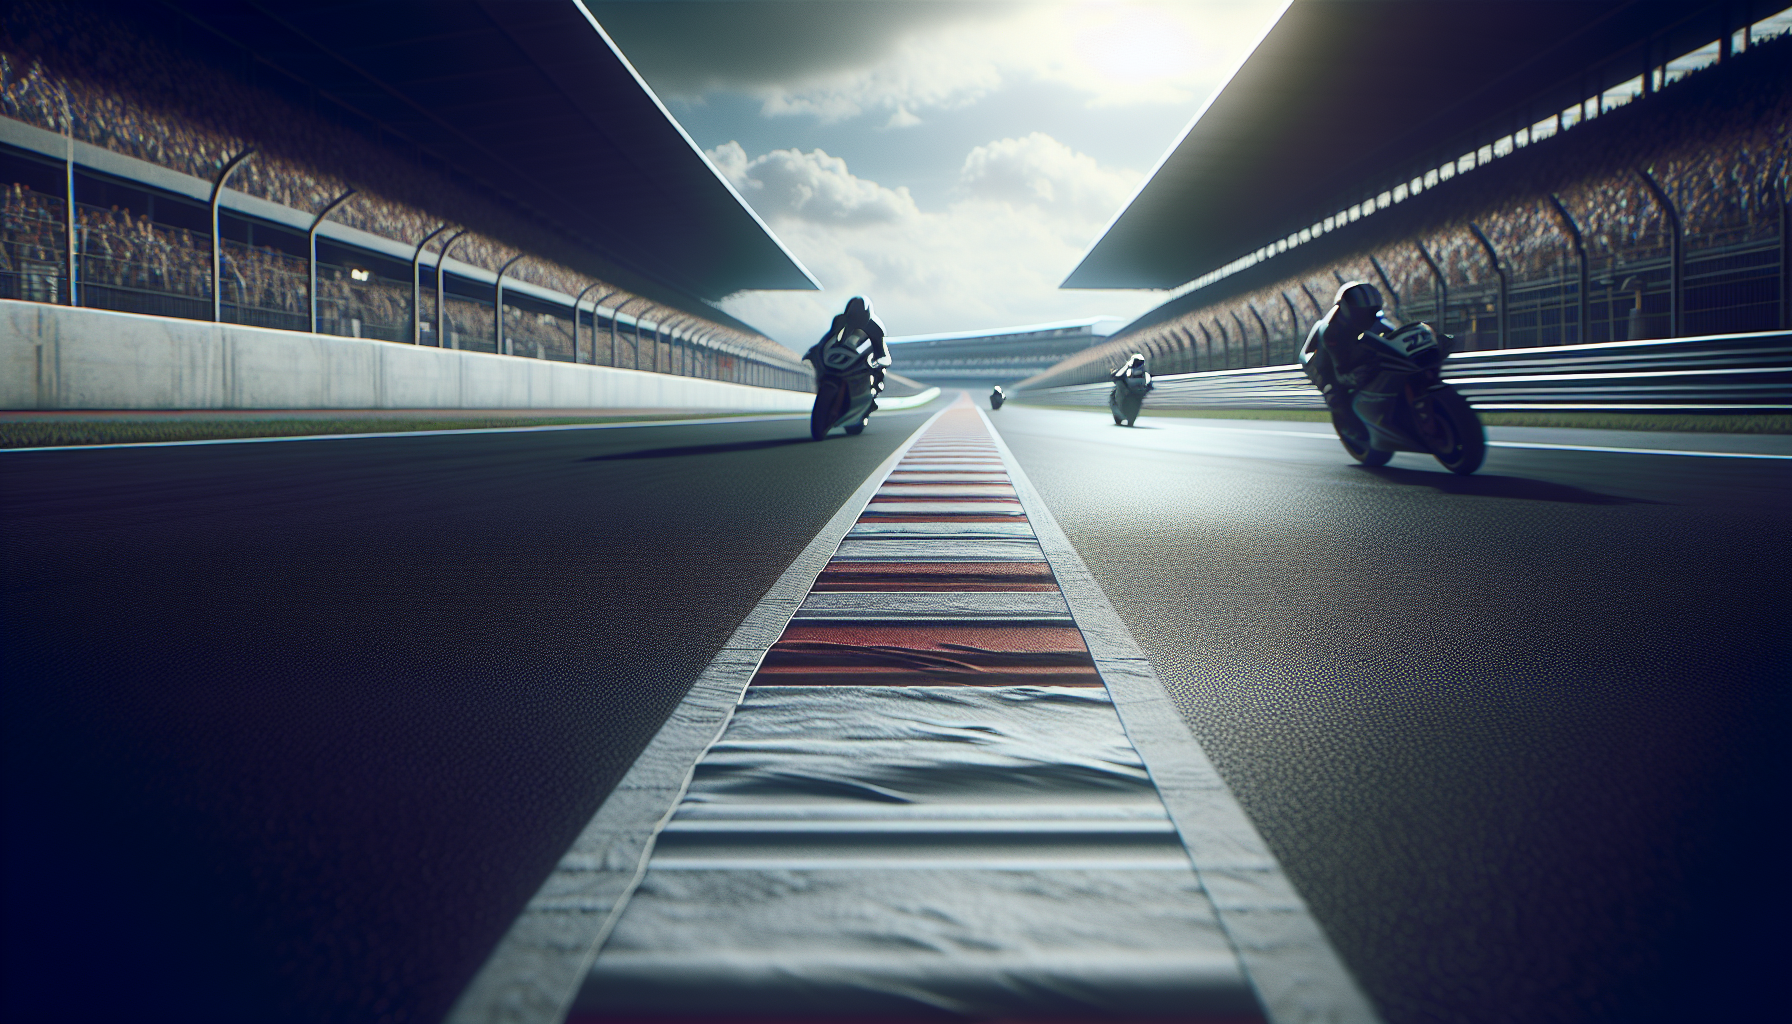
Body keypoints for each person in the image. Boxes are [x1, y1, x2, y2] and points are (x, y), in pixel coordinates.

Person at [1302, 281, 1397, 415]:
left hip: (1352, 359)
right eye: (1360, 309)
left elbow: (1393, 335)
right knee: (1337, 395)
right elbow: (1341, 372)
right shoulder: (1331, 330)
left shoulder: (1376, 320)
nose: (1366, 314)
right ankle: (1352, 426)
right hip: (1326, 367)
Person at [806, 296, 891, 409]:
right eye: (852, 318)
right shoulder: (840, 320)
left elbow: (882, 354)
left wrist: (877, 364)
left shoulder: (876, 329)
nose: (855, 322)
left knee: (878, 372)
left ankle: (873, 396)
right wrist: (816, 351)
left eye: (858, 319)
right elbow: (827, 339)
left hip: (867, 351)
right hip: (846, 348)